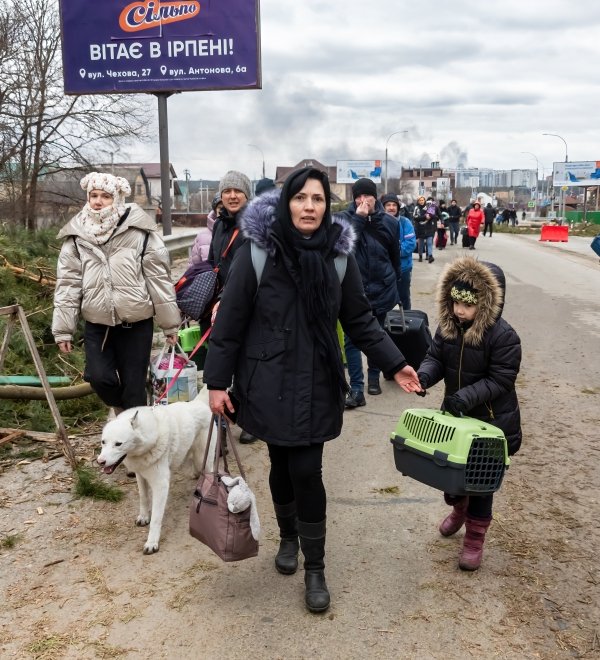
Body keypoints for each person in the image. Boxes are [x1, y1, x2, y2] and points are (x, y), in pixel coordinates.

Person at [202, 167, 422, 613]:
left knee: (307, 470)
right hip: (266, 378)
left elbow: (359, 320)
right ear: (287, 203)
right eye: (300, 198)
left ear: (327, 206)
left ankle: (316, 567)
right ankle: (288, 538)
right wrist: (215, 383)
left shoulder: (339, 257)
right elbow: (231, 321)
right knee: (281, 466)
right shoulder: (258, 251)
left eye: (317, 199)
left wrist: (396, 364)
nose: (309, 206)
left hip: (318, 378)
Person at [416, 256, 522, 570]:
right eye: (455, 302)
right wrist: (423, 376)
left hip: (490, 422)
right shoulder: (448, 327)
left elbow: (502, 379)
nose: (459, 311)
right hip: (457, 419)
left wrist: (465, 397)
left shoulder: (504, 337)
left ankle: (475, 536)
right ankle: (458, 507)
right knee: (451, 475)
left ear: (487, 304)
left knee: (481, 485)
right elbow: (435, 357)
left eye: (468, 304)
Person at [52, 172, 180, 414]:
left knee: (134, 389)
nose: (98, 201)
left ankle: (137, 439)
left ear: (118, 199)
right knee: (99, 378)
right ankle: (125, 414)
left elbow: (159, 280)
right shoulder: (76, 235)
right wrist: (63, 330)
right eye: (94, 195)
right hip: (98, 323)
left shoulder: (140, 232)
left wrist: (170, 325)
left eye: (106, 196)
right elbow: (68, 284)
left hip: (137, 324)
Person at [340, 178, 402, 405]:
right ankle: (356, 387)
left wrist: (394, 281)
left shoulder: (390, 222)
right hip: (354, 291)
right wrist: (359, 218)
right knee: (351, 340)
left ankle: (374, 378)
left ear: (376, 197)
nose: (363, 200)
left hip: (382, 287)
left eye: (367, 196)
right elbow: (345, 247)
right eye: (358, 196)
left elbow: (395, 256)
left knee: (378, 334)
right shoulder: (345, 220)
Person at [208, 170, 258, 444]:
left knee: (247, 362)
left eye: (238, 191)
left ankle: (250, 417)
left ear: (247, 195)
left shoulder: (254, 225)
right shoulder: (219, 224)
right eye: (227, 191)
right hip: (223, 302)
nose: (232, 195)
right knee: (225, 358)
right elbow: (215, 261)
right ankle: (225, 417)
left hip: (249, 302)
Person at [381, 193, 416, 309]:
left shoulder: (405, 223)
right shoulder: (378, 223)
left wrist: (393, 252)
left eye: (394, 205)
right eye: (388, 205)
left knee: (404, 297)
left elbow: (410, 244)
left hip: (403, 268)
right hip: (384, 269)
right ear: (383, 207)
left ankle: (407, 319)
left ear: (398, 207)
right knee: (384, 299)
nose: (391, 207)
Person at [189, 194, 222, 266]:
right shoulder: (201, 237)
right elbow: (193, 266)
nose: (223, 212)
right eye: (220, 208)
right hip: (209, 277)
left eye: (226, 209)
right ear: (215, 211)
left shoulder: (240, 233)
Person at [413, 195, 436, 263]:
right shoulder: (416, 208)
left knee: (429, 243)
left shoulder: (429, 206)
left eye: (422, 200)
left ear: (424, 201)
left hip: (428, 227)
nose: (421, 201)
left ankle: (430, 256)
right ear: (418, 201)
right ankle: (420, 256)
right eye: (420, 200)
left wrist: (430, 217)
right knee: (421, 244)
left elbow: (433, 215)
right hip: (420, 228)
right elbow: (415, 217)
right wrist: (425, 217)